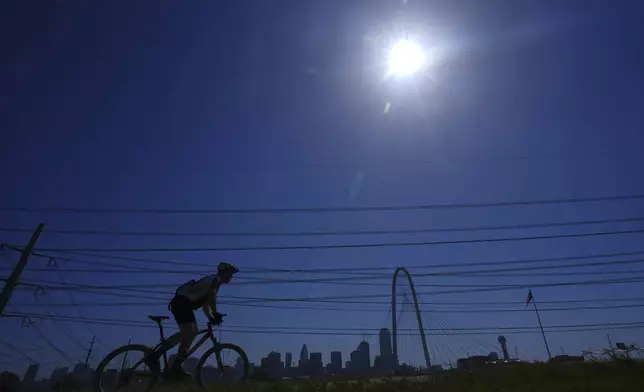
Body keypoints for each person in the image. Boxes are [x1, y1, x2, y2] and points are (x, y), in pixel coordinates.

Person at [150, 261, 239, 379]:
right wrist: (216, 313)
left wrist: (211, 317)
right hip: (182, 303)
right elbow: (211, 298)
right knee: (190, 332)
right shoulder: (214, 280)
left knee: (189, 333)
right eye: (230, 273)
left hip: (181, 304)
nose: (231, 277)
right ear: (224, 272)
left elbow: (206, 304)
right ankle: (160, 359)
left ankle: (173, 364)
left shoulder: (213, 282)